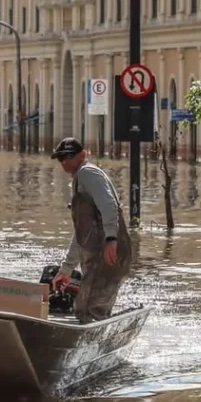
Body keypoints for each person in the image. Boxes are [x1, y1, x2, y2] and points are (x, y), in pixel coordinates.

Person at [50, 137, 133, 323]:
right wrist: (67, 269)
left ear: (83, 154)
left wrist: (111, 239)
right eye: (61, 158)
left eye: (69, 157)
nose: (65, 162)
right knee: (89, 307)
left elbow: (109, 205)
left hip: (107, 254)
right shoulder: (81, 179)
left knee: (89, 309)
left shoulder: (87, 173)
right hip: (98, 257)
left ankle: (89, 344)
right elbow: (81, 235)